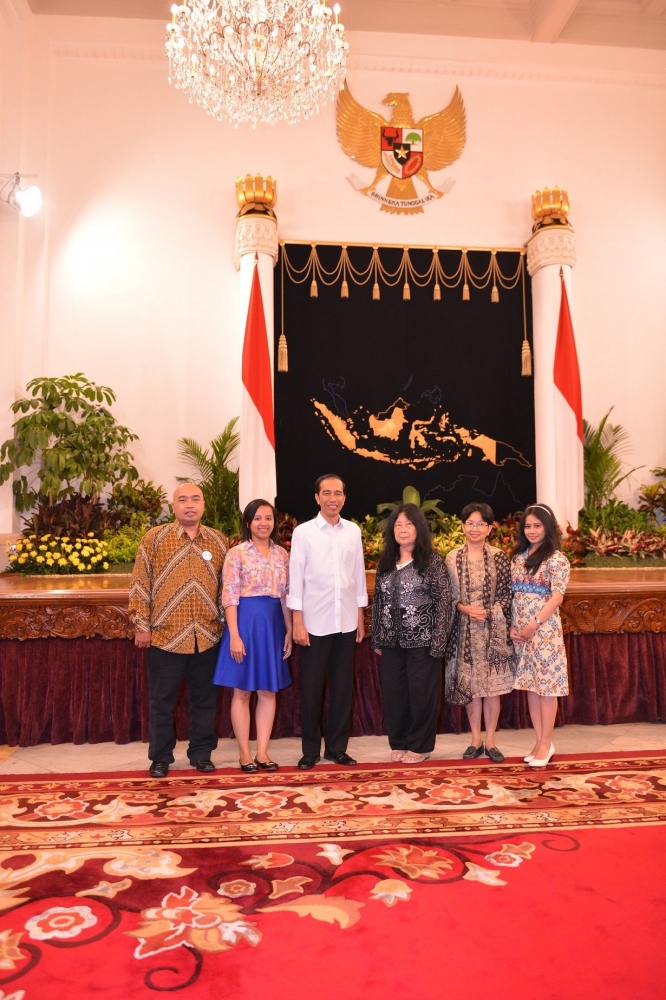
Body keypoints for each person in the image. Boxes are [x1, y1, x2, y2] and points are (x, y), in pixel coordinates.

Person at [129, 483, 227, 778]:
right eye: (182, 500)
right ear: (173, 506)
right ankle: (160, 757)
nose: (189, 504)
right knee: (161, 703)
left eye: (195, 499)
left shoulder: (219, 541)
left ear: (204, 504)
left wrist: (226, 627)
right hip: (164, 635)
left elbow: (226, 590)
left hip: (207, 636)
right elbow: (139, 584)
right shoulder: (155, 539)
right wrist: (141, 626)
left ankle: (201, 753)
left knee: (205, 701)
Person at [287, 474, 367, 769]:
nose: (333, 498)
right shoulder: (303, 532)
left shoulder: (353, 531)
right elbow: (296, 577)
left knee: (342, 688)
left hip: (346, 621)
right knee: (311, 689)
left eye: (338, 493)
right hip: (314, 623)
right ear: (317, 497)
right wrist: (297, 619)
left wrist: (359, 617)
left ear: (344, 498)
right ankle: (310, 750)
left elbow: (357, 575)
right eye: (327, 493)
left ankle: (337, 748)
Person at [213, 499, 292, 772]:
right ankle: (244, 753)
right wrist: (234, 635)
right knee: (243, 691)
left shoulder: (282, 555)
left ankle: (262, 753)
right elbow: (229, 597)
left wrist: (289, 631)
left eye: (268, 518)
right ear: (248, 522)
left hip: (273, 625)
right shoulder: (237, 554)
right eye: (257, 518)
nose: (263, 523)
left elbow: (285, 598)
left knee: (268, 690)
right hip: (244, 623)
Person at [371, 503, 453, 764]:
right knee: (395, 693)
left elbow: (444, 601)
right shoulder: (385, 562)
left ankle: (420, 745)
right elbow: (378, 603)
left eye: (408, 524)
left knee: (421, 695)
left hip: (423, 641)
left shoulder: (431, 560)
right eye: (398, 525)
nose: (403, 530)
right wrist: (376, 636)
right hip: (391, 641)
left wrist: (438, 641)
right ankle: (400, 741)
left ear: (419, 528)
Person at [444, 503, 514, 763]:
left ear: (489, 528)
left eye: (481, 524)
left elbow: (508, 593)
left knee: (492, 689)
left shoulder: (499, 556)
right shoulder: (452, 557)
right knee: (471, 687)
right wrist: (463, 607)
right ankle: (475, 740)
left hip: (492, 631)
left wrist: (490, 611)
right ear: (463, 526)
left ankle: (491, 741)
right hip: (463, 632)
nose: (475, 528)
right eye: (470, 523)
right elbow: (447, 596)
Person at [510, 503, 570, 768]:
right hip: (522, 633)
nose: (532, 530)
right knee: (531, 688)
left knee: (546, 689)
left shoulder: (557, 559)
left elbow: (557, 598)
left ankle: (547, 742)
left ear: (548, 527)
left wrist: (534, 624)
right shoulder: (518, 557)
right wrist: (514, 627)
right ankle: (539, 741)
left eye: (537, 525)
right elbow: (514, 596)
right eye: (528, 526)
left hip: (544, 632)